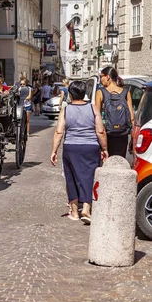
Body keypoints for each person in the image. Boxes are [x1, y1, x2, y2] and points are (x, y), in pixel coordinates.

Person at [51, 80, 108, 222]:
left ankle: (75, 212)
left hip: (71, 147)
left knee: (71, 178)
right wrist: (104, 148)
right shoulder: (93, 108)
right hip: (90, 147)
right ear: (85, 94)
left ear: (70, 95)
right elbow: (100, 131)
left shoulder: (66, 110)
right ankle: (87, 209)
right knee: (89, 177)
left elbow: (59, 132)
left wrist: (54, 150)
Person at [95, 66, 134, 158]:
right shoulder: (126, 92)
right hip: (123, 133)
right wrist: (133, 137)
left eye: (101, 76)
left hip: (107, 133)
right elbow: (131, 116)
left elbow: (97, 115)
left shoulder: (100, 92)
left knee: (107, 160)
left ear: (108, 77)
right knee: (120, 159)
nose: (100, 80)